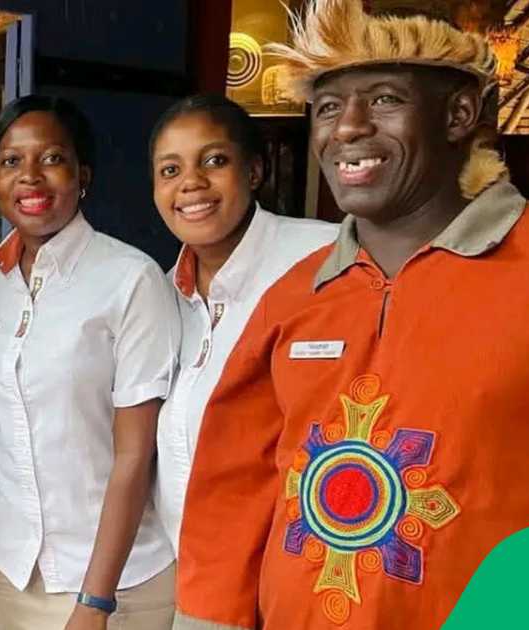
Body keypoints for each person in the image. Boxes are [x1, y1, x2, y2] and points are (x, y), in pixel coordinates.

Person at [173, 1, 529, 628]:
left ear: (459, 115)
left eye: (384, 99)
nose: (348, 128)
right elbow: (232, 497)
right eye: (329, 107)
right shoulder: (294, 297)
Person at [0, 95, 179, 630]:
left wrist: (96, 600)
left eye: (52, 159)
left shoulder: (131, 279)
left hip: (117, 582)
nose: (31, 178)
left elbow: (136, 456)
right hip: (10, 570)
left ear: (83, 175)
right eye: (11, 162)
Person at [148, 94, 336, 553]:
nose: (190, 183)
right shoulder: (163, 293)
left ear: (253, 171)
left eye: (213, 160)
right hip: (189, 570)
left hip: (295, 567)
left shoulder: (325, 261)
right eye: (170, 170)